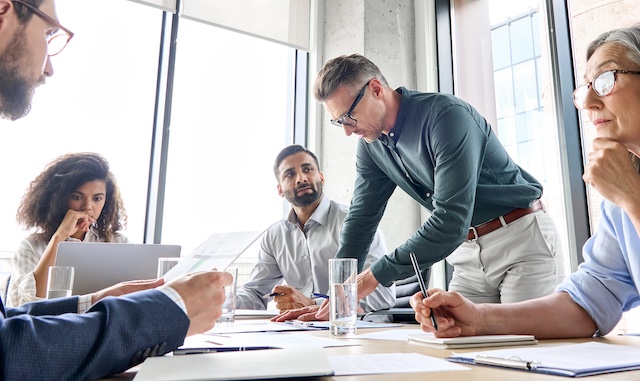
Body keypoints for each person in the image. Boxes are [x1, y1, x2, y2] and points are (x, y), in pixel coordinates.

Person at [0, 1, 232, 379]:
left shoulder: (114, 239)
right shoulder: (35, 244)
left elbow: (9, 325)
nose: (49, 67)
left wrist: (98, 300)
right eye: (49, 34)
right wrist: (165, 310)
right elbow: (10, 351)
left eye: (97, 198)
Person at [410, 23, 640, 339]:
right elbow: (589, 302)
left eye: (605, 80)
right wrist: (478, 319)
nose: (587, 103)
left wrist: (633, 198)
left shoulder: (627, 193)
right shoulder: (620, 204)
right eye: (585, 88)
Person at [313, 53, 563, 308]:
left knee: (523, 345)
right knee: (459, 344)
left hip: (519, 240)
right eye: (338, 122)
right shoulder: (371, 146)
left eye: (348, 117)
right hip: (466, 254)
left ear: (376, 89)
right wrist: (338, 297)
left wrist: (376, 275)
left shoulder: (446, 116)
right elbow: (361, 219)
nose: (347, 130)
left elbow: (450, 220)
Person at [236, 145, 395, 315]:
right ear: (280, 190)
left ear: (321, 177)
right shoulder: (275, 235)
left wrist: (314, 304)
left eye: (307, 169)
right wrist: (218, 300)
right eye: (290, 174)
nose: (301, 178)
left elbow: (382, 294)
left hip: (349, 330)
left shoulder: (357, 223)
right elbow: (255, 293)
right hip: (297, 331)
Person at [8, 152, 130, 306]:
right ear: (59, 199)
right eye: (77, 197)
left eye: (97, 198)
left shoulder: (118, 243)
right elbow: (28, 307)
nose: (87, 207)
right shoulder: (31, 247)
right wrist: (59, 237)